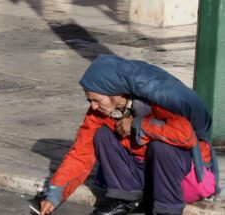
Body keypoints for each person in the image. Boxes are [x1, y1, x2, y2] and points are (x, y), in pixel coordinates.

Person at [39, 55, 220, 215]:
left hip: (184, 180)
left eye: (96, 100)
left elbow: (185, 135)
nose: (93, 106)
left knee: (162, 145)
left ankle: (167, 209)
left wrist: (137, 125)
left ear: (115, 93)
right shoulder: (100, 111)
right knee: (102, 134)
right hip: (148, 174)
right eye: (89, 101)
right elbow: (80, 154)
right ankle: (126, 199)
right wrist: (54, 194)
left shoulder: (157, 102)